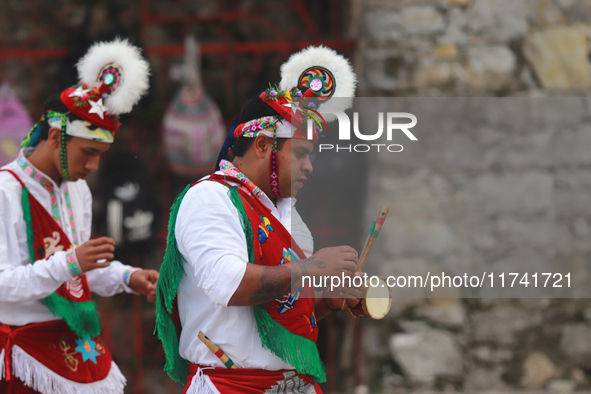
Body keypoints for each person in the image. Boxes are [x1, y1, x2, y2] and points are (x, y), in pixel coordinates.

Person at [156, 46, 367, 394]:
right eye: (300, 154)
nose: (309, 167)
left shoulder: (286, 215)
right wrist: (313, 266)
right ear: (263, 144)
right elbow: (232, 285)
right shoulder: (210, 197)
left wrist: (329, 300)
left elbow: (281, 312)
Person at [0, 38, 158, 394]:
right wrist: (69, 263)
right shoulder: (5, 192)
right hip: (26, 353)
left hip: (79, 342)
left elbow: (79, 272)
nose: (93, 166)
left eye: (100, 154)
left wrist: (128, 277)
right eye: (88, 152)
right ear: (55, 136)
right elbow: (4, 284)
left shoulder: (77, 190)